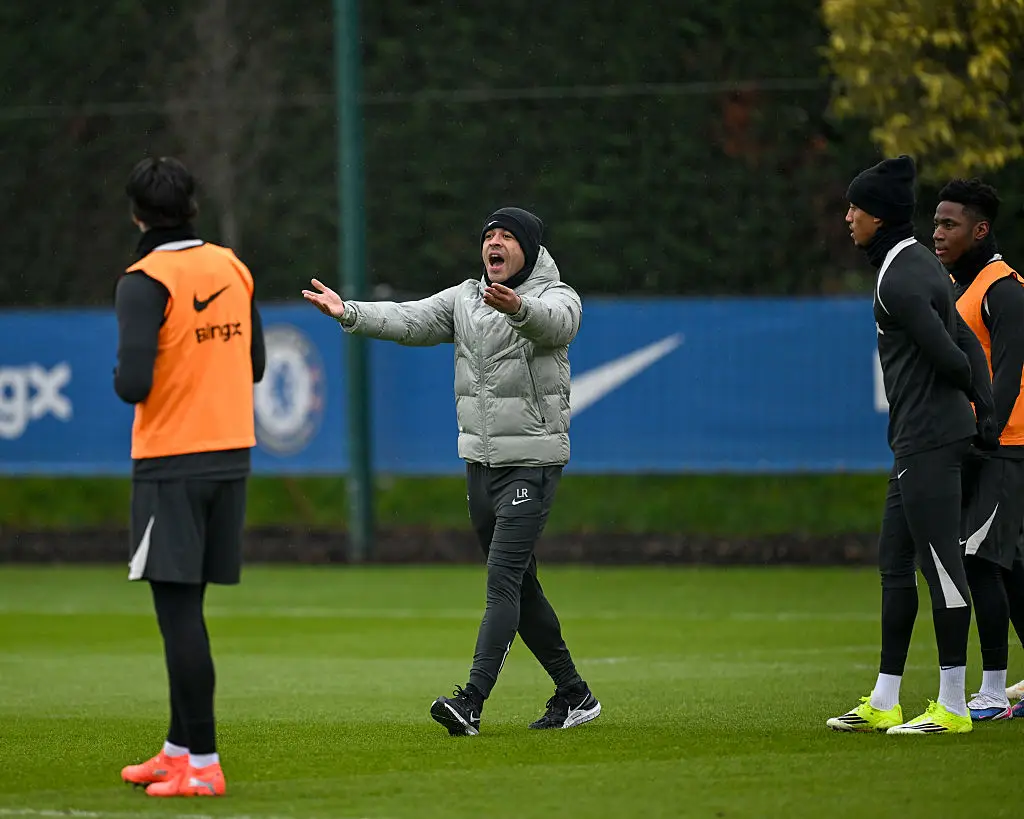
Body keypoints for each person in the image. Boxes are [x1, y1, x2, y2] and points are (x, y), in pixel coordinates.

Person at [302, 206, 601, 736]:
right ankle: (575, 694)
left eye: (508, 236)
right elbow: (409, 319)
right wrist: (349, 312)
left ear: (528, 248)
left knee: (502, 581)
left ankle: (472, 701)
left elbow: (557, 325)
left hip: (530, 463)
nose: (495, 243)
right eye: (489, 235)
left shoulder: (557, 297)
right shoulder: (464, 298)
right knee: (521, 585)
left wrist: (519, 309)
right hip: (480, 467)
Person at [826, 155, 997, 736]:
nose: (848, 217)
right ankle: (885, 698)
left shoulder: (898, 278)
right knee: (894, 565)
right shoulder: (918, 262)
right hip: (919, 442)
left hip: (928, 442)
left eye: (856, 208)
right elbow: (969, 343)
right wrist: (986, 411)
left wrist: (972, 399)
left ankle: (952, 705)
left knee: (943, 570)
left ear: (880, 215)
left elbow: (949, 355)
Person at [115, 157, 266, 796]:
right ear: (193, 208)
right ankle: (179, 749)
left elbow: (133, 384)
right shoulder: (232, 266)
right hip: (230, 455)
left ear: (137, 214)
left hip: (171, 462)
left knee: (177, 615)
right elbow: (254, 364)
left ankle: (203, 765)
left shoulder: (143, 279)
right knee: (189, 610)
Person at [934, 177, 1024, 720]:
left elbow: (1009, 376)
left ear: (981, 228)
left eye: (951, 224)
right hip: (983, 444)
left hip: (1006, 446)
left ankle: (992, 691)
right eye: (937, 222)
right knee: (1008, 564)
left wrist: (984, 438)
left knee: (980, 561)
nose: (938, 233)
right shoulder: (959, 283)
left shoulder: (1004, 289)